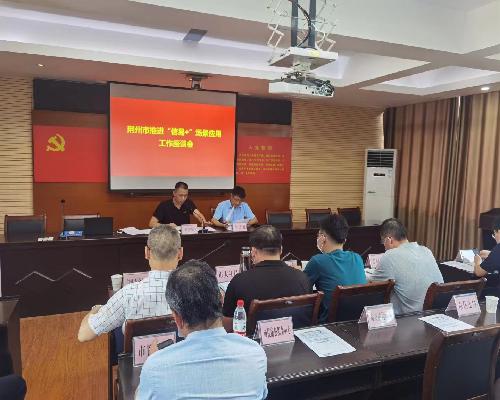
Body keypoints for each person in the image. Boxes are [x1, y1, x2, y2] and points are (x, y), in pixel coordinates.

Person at [136, 260, 268, 400]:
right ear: (221, 300)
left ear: (177, 318)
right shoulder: (254, 353)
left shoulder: (155, 367)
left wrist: (153, 360)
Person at [77, 225, 182, 342]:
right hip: (182, 354)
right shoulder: (194, 293)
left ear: (147, 253)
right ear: (180, 253)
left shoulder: (128, 294)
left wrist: (95, 309)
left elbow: (84, 335)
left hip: (137, 355)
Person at [222, 225, 312, 333]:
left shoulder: (239, 281)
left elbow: (227, 324)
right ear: (281, 250)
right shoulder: (303, 278)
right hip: (296, 339)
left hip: (253, 342)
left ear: (253, 252)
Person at [369, 218, 443, 315]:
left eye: (383, 242)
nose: (384, 246)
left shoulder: (390, 255)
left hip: (408, 318)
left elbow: (372, 285)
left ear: (389, 240)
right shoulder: (426, 250)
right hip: (435, 313)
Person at [304, 214, 367, 322]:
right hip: (356, 322)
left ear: (323, 237)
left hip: (329, 324)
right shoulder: (357, 258)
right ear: (344, 239)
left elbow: (301, 287)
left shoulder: (318, 261)